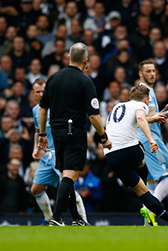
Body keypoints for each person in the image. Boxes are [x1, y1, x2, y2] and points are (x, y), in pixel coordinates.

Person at [38, 43, 112, 227]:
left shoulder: (53, 78)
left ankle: (77, 218)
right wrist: (103, 136)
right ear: (86, 61)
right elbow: (94, 115)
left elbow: (42, 109)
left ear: (68, 58)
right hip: (74, 132)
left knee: (65, 175)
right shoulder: (85, 81)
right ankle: (55, 218)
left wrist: (41, 133)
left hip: (56, 132)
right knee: (70, 176)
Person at [104, 85, 168, 227]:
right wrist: (151, 140)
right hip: (130, 150)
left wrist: (153, 118)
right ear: (146, 100)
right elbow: (141, 118)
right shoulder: (141, 105)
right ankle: (144, 177)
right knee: (142, 154)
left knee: (143, 192)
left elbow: (138, 119)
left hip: (111, 155)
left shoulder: (119, 106)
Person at [135, 59, 168, 226]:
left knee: (151, 182)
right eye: (148, 71)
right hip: (150, 140)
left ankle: (147, 224)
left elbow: (150, 116)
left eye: (153, 71)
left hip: (142, 140)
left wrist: (163, 110)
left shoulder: (145, 91)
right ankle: (150, 210)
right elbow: (145, 119)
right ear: (140, 73)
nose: (151, 74)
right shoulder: (144, 92)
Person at [31, 78, 87, 224]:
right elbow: (38, 130)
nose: (41, 94)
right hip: (46, 156)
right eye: (38, 92)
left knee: (68, 187)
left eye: (43, 91)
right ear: (33, 93)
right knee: (35, 189)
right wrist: (36, 147)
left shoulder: (56, 106)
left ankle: (83, 219)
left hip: (59, 153)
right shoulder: (35, 110)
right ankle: (48, 218)